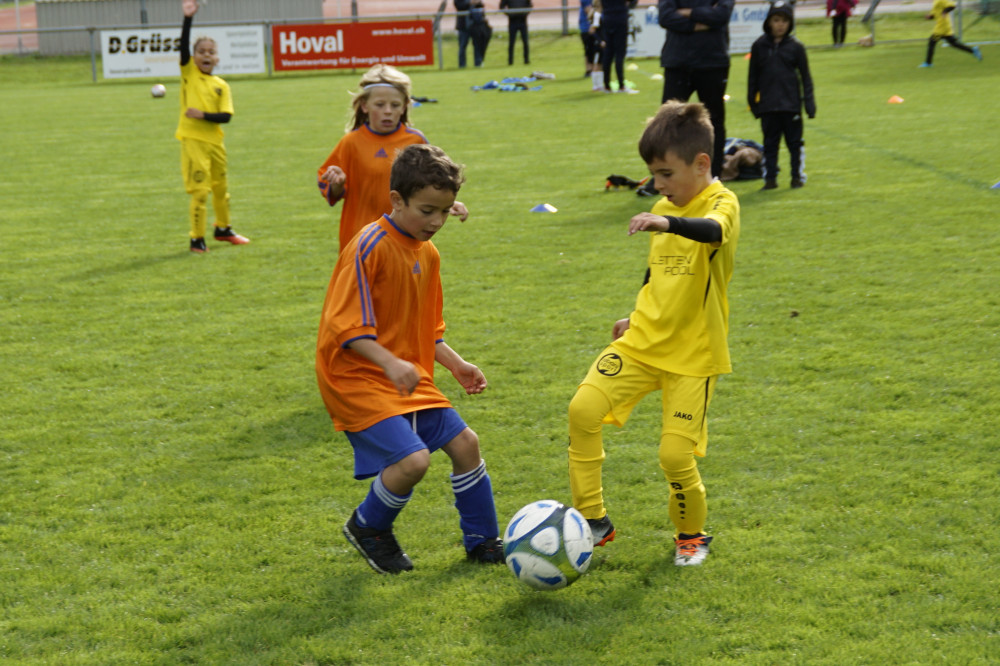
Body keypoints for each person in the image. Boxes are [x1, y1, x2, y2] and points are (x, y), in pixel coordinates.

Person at [316, 144, 505, 574]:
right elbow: (344, 328)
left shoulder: (427, 252)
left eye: (444, 211)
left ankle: (483, 542)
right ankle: (369, 526)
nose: (436, 222)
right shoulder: (369, 247)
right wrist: (390, 363)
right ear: (396, 200)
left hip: (404, 374)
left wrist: (455, 363)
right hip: (356, 377)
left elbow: (426, 328)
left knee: (466, 444)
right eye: (427, 211)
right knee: (413, 461)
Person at [567, 100, 739, 567]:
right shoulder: (665, 206)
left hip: (694, 355)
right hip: (642, 341)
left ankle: (691, 536)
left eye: (666, 174)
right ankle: (593, 519)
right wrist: (634, 313)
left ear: (701, 164)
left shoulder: (721, 203)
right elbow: (658, 271)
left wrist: (667, 221)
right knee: (583, 410)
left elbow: (711, 232)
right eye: (653, 175)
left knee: (674, 456)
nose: (658, 185)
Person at [317, 64, 469, 252]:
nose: (388, 111)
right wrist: (337, 184)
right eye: (380, 105)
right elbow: (330, 190)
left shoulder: (415, 141)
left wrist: (446, 205)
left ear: (405, 106)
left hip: (405, 239)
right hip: (359, 240)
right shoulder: (351, 142)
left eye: (395, 105)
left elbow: (432, 183)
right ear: (364, 106)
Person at [176, 0, 249, 254]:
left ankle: (223, 229)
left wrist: (202, 114)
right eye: (201, 51)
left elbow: (226, 117)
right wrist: (188, 18)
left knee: (221, 189)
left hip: (215, 143)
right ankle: (196, 239)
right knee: (200, 191)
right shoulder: (189, 74)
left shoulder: (221, 85)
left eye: (211, 52)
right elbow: (183, 47)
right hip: (193, 141)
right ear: (193, 57)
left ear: (217, 58)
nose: (206, 55)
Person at [657, 0, 735, 178]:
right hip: (678, 62)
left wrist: (687, 12)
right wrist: (698, 24)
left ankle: (714, 175)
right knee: (667, 122)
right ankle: (663, 174)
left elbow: (721, 16)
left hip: (712, 61)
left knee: (714, 120)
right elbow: (666, 17)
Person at [747, 0, 815, 190]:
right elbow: (753, 77)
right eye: (776, 20)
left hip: (790, 105)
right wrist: (753, 102)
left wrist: (809, 104)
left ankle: (796, 177)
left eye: (784, 21)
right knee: (770, 144)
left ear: (790, 23)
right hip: (768, 106)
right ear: (769, 22)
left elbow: (806, 77)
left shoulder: (796, 47)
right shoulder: (759, 46)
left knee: (795, 144)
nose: (780, 25)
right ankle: (770, 179)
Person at [919, 0, 983, 67]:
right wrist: (930, 17)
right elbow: (937, 14)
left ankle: (928, 63)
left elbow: (952, 5)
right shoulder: (935, 1)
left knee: (931, 42)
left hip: (942, 26)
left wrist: (944, 12)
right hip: (944, 26)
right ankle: (973, 50)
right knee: (954, 44)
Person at [601, 0, 638, 94]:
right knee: (619, 53)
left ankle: (606, 85)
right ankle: (621, 85)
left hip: (607, 17)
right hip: (620, 17)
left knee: (608, 53)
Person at [500, 0, 532, 66]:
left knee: (525, 41)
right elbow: (501, 6)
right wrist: (509, 14)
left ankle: (526, 60)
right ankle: (510, 61)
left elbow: (530, 5)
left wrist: (524, 13)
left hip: (522, 21)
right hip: (512, 22)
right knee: (511, 42)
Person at [468, 0, 493, 67]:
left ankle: (480, 60)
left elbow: (483, 16)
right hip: (475, 28)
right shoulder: (471, 6)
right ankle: (478, 62)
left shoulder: (481, 6)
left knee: (482, 45)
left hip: (482, 28)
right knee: (477, 46)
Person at [455, 0, 472, 68]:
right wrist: (470, 3)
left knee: (478, 45)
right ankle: (462, 66)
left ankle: (478, 64)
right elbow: (459, 5)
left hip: (474, 25)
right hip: (463, 25)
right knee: (462, 46)